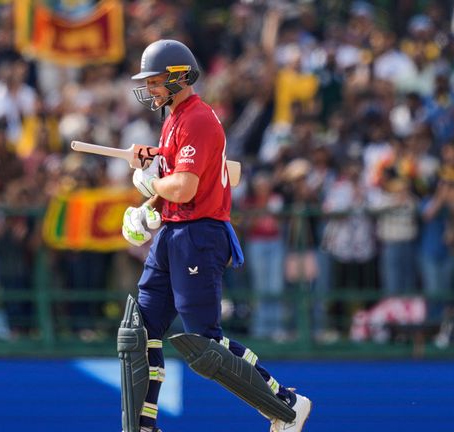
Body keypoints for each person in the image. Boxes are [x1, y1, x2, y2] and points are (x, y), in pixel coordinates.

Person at [118, 39, 311, 432]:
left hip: (199, 235)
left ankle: (287, 405)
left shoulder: (198, 119)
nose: (150, 89)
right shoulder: (174, 118)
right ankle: (142, 426)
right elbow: (177, 176)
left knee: (205, 344)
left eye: (155, 81)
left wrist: (147, 179)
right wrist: (150, 189)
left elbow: (186, 187)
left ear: (179, 77)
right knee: (138, 332)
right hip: (173, 233)